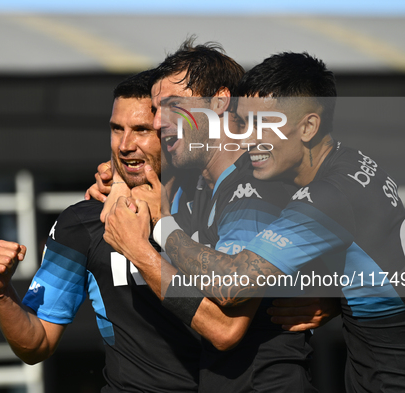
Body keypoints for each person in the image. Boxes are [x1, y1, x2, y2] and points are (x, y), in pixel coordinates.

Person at [104, 52, 405, 392]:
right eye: (245, 123)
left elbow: (231, 287)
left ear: (308, 126)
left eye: (264, 124)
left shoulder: (327, 198)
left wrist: (159, 228)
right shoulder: (352, 165)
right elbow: (374, 254)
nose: (250, 137)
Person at [0, 70, 257, 392]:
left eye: (141, 130)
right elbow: (36, 343)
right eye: (116, 129)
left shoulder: (228, 207)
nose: (125, 145)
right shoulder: (83, 221)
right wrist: (0, 292)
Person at [103, 40, 331, 393]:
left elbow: (226, 324)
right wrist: (117, 178)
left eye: (173, 106)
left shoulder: (255, 185)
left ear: (220, 102)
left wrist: (141, 249)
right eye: (156, 109)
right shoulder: (201, 184)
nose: (159, 121)